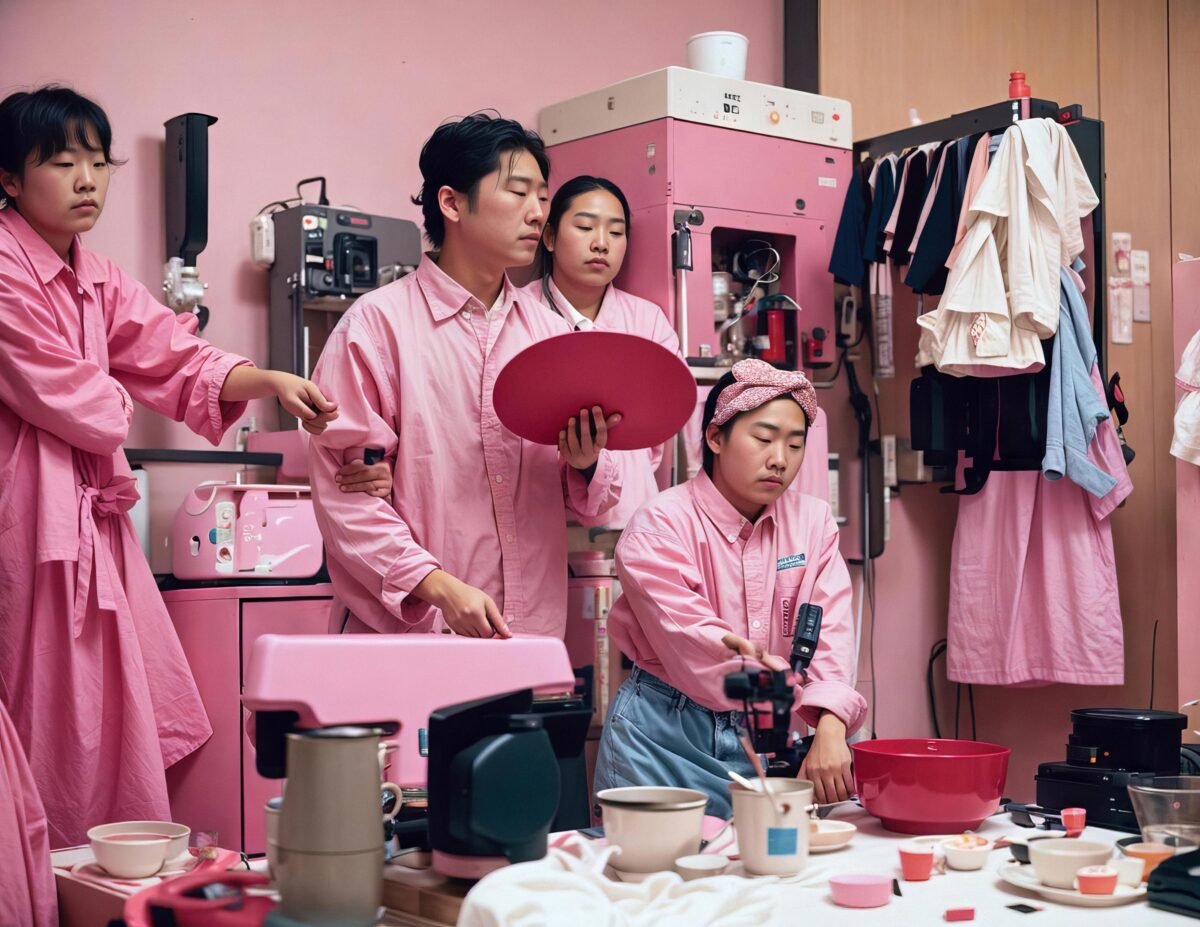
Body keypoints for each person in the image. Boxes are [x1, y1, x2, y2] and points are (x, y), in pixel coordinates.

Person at [0, 85, 344, 846]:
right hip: (30, 522)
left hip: (91, 521)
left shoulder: (98, 275)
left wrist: (268, 380)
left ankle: (101, 870)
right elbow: (74, 398)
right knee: (49, 706)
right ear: (11, 181)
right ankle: (41, 879)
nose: (88, 179)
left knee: (107, 703)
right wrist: (117, 400)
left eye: (98, 161)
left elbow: (173, 351)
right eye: (62, 162)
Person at [307, 113, 624, 640]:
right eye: (518, 192)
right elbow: (348, 499)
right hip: (418, 638)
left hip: (532, 637)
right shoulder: (377, 326)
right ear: (452, 203)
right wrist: (439, 587)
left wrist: (587, 464)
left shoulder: (554, 337)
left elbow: (595, 503)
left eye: (542, 197)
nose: (536, 214)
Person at [593, 359, 867, 816]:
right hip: (660, 743)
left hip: (769, 739)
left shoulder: (814, 523)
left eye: (795, 445)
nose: (780, 458)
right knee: (652, 882)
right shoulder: (659, 526)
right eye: (763, 439)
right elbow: (697, 646)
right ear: (716, 437)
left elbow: (832, 631)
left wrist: (832, 725)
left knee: (770, 878)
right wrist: (799, 694)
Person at [523, 175, 679, 529]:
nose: (601, 244)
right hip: (541, 520)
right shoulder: (516, 313)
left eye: (616, 232)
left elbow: (659, 428)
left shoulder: (647, 320)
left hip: (632, 518)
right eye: (584, 227)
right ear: (549, 237)